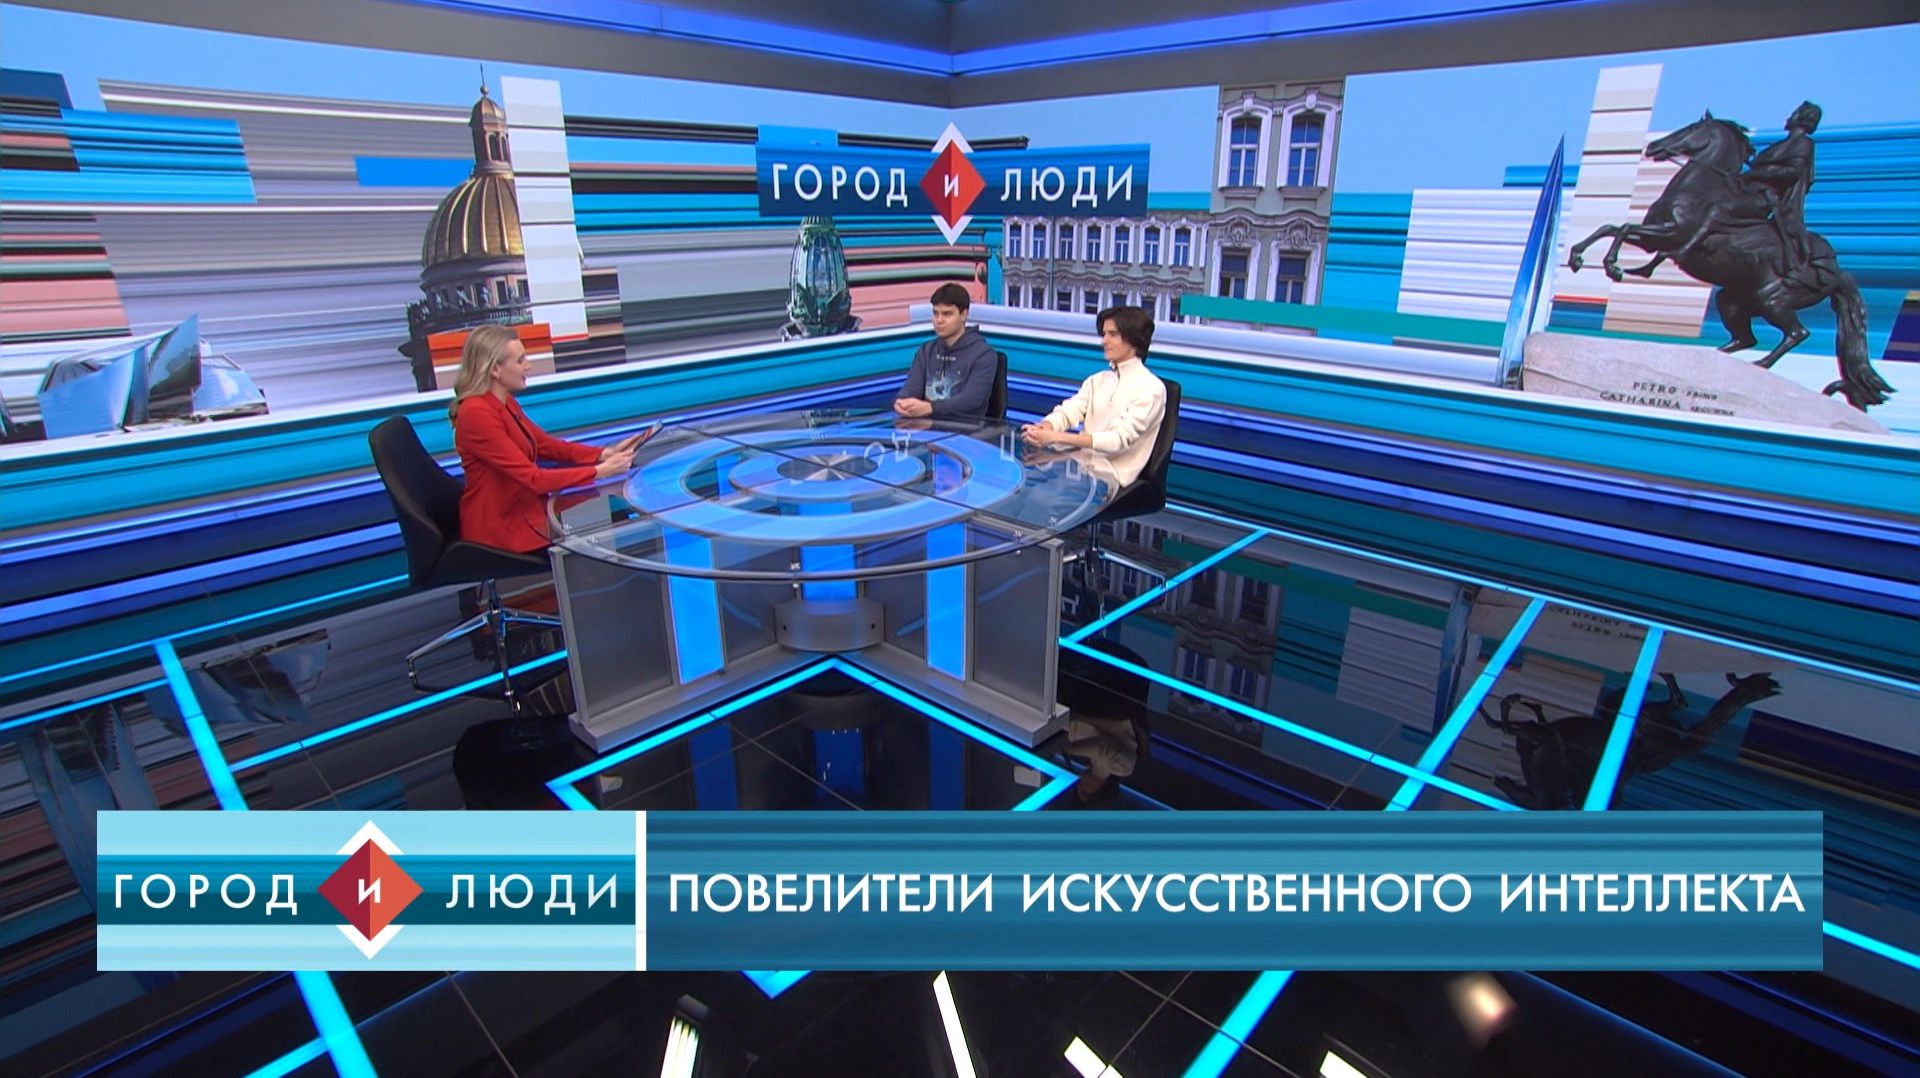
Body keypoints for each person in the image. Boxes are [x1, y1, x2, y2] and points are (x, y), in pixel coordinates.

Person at [449, 324, 644, 553]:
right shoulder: (476, 413)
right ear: (494, 369)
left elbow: (544, 445)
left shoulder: (504, 401)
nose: (528, 366)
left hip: (527, 511)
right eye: (520, 360)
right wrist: (600, 472)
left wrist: (603, 454)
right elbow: (533, 478)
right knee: (595, 547)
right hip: (500, 532)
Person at [1021, 305, 1166, 486]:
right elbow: (1070, 410)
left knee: (1039, 494)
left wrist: (1056, 437)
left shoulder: (1151, 388)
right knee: (1028, 483)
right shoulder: (1097, 380)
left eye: (1112, 334)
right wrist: (1046, 426)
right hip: (1081, 467)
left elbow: (1117, 440)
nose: (1104, 341)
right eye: (1104, 334)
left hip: (1112, 478)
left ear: (1133, 339)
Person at [893, 282, 997, 421]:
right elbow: (909, 390)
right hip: (925, 428)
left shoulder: (984, 354)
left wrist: (931, 408)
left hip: (966, 430)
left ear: (963, 315)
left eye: (947, 314)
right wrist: (902, 403)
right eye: (936, 313)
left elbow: (972, 400)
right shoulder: (926, 351)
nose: (939, 320)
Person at [1745, 101, 1821, 279]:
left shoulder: (1803, 143)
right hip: (1754, 190)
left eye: (1793, 114)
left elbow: (1793, 171)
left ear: (1801, 119)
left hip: (1770, 199)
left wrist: (1755, 174)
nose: (1788, 118)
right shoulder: (1782, 144)